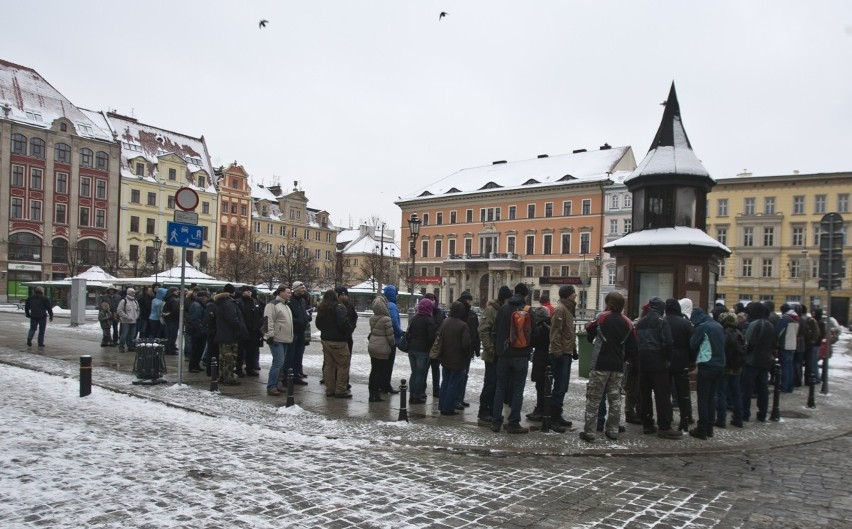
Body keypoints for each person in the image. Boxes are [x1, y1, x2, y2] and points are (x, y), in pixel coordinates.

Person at [579, 292, 637, 442]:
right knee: (615, 399)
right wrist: (622, 358)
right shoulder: (628, 322)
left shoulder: (602, 317)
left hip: (600, 364)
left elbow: (589, 329)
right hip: (617, 366)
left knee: (594, 399)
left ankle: (590, 432)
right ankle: (612, 430)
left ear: (609, 303)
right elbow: (632, 346)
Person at [635, 297, 681, 439]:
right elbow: (667, 342)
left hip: (643, 361)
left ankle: (647, 424)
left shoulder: (641, 322)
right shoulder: (661, 321)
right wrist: (667, 358)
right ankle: (664, 426)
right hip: (658, 362)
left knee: (645, 395)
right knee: (662, 395)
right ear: (660, 308)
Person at [491, 283, 534, 434]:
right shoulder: (528, 310)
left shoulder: (503, 309)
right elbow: (532, 335)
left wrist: (499, 350)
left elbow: (495, 331)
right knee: (517, 389)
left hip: (504, 355)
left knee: (500, 387)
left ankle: (496, 422)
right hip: (521, 355)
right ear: (525, 295)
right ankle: (513, 423)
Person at [689, 307, 726, 440]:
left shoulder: (702, 327)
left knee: (703, 398)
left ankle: (702, 429)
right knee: (711, 397)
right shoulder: (718, 325)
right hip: (720, 365)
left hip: (707, 364)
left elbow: (693, 344)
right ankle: (709, 428)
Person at [476, 285, 511, 426]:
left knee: (497, 383)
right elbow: (483, 330)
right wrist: (490, 347)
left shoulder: (502, 310)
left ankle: (492, 410)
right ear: (503, 299)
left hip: (499, 354)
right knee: (490, 383)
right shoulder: (491, 310)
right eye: (508, 298)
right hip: (491, 354)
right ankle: (484, 411)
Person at [546, 284, 578, 429]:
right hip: (560, 354)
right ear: (567, 295)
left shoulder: (567, 309)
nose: (575, 295)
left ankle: (558, 415)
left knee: (563, 386)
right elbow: (555, 333)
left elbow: (568, 332)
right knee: (559, 387)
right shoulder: (561, 309)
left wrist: (574, 349)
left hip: (566, 352)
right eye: (573, 293)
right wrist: (558, 352)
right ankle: (553, 418)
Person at [529, 305, 564, 432]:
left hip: (541, 358)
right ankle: (542, 408)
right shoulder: (550, 326)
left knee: (541, 386)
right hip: (548, 358)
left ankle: (541, 409)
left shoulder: (541, 327)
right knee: (545, 386)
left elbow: (533, 341)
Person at [434, 301, 472, 416]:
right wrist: (468, 354)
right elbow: (466, 344)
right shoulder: (463, 325)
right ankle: (448, 408)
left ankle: (442, 405)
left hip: (445, 357)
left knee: (445, 382)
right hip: (458, 359)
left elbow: (439, 336)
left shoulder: (445, 321)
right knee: (453, 383)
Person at [742, 302, 775, 423]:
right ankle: (762, 414)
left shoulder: (754, 324)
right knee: (763, 389)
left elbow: (747, 342)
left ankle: (745, 414)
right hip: (765, 361)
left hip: (752, 361)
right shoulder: (769, 324)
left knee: (746, 389)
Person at [316, 289, 353, 398]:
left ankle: (330, 389)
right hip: (339, 341)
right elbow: (344, 323)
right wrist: (348, 331)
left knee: (329, 365)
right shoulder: (339, 307)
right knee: (343, 365)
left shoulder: (322, 308)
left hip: (326, 340)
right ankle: (340, 390)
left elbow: (318, 324)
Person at [665, 298, 694, 432]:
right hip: (682, 361)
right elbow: (691, 345)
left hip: (666, 361)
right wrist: (691, 361)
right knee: (683, 392)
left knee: (666, 392)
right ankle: (685, 419)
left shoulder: (663, 322)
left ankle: (667, 417)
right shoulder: (686, 324)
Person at [715, 312, 746, 429]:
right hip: (737, 368)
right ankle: (738, 419)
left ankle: (721, 419)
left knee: (721, 393)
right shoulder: (740, 334)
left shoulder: (724, 334)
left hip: (725, 367)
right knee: (737, 393)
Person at [213, 283, 248, 386]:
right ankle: (229, 378)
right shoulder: (229, 303)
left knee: (223, 357)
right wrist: (239, 328)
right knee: (230, 358)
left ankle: (222, 376)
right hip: (230, 335)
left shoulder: (221, 301)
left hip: (223, 333)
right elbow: (233, 318)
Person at [263, 285, 293, 396]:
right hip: (276, 338)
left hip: (285, 339)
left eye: (290, 292)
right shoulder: (272, 305)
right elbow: (267, 320)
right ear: (280, 292)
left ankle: (277, 384)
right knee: (278, 362)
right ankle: (271, 386)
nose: (289, 294)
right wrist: (269, 335)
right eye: (287, 292)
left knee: (281, 363)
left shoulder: (285, 305)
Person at [406, 298, 438, 404]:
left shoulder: (414, 319)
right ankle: (417, 396)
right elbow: (431, 339)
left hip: (412, 350)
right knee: (420, 374)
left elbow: (408, 333)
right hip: (423, 351)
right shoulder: (429, 320)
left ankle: (411, 395)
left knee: (414, 373)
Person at [367, 296, 396, 402]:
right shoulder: (386, 319)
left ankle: (372, 393)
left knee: (374, 370)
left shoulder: (372, 317)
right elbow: (390, 337)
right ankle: (376, 394)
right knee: (380, 371)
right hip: (382, 348)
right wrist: (392, 345)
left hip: (373, 346)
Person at [455, 291, 480, 409]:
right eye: (468, 300)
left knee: (464, 375)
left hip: (468, 349)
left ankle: (460, 398)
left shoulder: (472, 314)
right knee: (459, 375)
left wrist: (476, 348)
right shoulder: (460, 313)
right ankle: (456, 399)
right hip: (460, 349)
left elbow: (476, 332)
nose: (469, 302)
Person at [237, 286, 263, 378]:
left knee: (251, 351)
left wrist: (259, 326)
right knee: (240, 352)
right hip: (242, 331)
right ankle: (238, 369)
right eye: (247, 291)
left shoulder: (255, 302)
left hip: (253, 331)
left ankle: (250, 368)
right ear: (242, 292)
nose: (249, 293)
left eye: (250, 291)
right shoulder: (238, 302)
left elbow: (260, 315)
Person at [288, 281, 312, 379]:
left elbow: (304, 313)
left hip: (301, 331)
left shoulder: (302, 300)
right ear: (296, 289)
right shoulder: (290, 301)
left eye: (304, 288)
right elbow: (289, 317)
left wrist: (307, 317)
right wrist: (298, 321)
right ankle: (290, 375)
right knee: (291, 355)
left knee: (299, 353)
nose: (304, 289)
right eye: (301, 288)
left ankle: (298, 373)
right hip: (293, 331)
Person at [381, 285, 402, 394]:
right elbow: (394, 322)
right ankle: (386, 386)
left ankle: (381, 385)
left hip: (383, 338)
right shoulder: (392, 306)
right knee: (389, 364)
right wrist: (400, 332)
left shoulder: (384, 304)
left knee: (382, 365)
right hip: (391, 339)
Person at [775, 303, 800, 393]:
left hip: (785, 344)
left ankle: (784, 386)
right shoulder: (796, 318)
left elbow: (778, 331)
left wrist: (775, 342)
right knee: (790, 366)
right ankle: (790, 386)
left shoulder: (786, 318)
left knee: (785, 366)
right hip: (793, 345)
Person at [424, 292, 445, 397]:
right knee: (424, 369)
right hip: (425, 346)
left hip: (436, 345)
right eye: (429, 299)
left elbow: (443, 327)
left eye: (433, 299)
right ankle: (422, 390)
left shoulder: (440, 313)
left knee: (436, 369)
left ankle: (436, 390)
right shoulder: (423, 312)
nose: (432, 301)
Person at [186, 291, 209, 373]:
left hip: (199, 331)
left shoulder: (199, 305)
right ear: (202, 297)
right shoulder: (197, 306)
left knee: (199, 349)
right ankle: (193, 366)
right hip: (197, 332)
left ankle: (196, 365)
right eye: (206, 297)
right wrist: (202, 329)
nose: (207, 298)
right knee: (196, 349)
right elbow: (195, 320)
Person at [115, 288, 140, 353]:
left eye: (134, 292)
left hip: (134, 321)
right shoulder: (123, 301)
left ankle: (130, 346)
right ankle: (121, 347)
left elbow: (138, 310)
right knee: (124, 334)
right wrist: (126, 316)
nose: (134, 294)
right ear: (128, 293)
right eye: (132, 292)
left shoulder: (135, 301)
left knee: (132, 335)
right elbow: (119, 310)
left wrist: (136, 316)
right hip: (125, 321)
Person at [162, 287, 181, 355]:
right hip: (173, 319)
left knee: (169, 334)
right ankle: (170, 349)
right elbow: (175, 310)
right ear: (173, 292)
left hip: (169, 319)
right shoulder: (174, 299)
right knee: (172, 335)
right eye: (176, 291)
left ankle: (168, 348)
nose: (178, 292)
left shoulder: (168, 299)